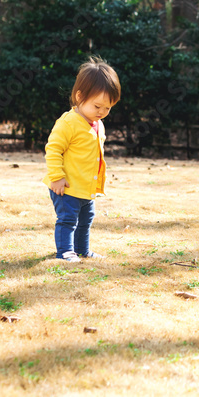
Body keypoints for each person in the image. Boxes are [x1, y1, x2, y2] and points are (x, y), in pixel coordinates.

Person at [42, 57, 121, 262]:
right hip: (66, 186)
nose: (102, 112)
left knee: (86, 220)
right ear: (79, 97)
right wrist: (57, 177)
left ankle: (82, 250)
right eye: (97, 106)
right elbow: (53, 150)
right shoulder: (68, 123)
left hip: (86, 187)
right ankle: (65, 252)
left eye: (108, 108)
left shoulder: (97, 124)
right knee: (68, 220)